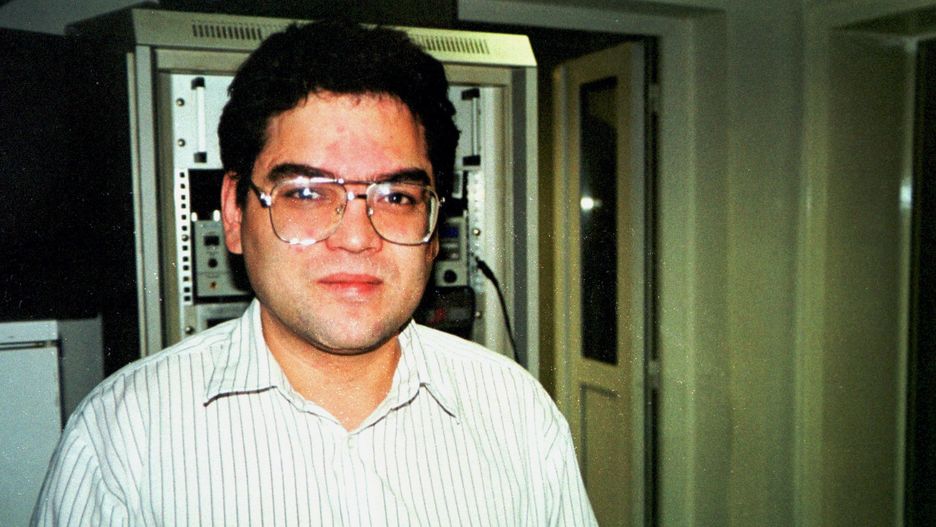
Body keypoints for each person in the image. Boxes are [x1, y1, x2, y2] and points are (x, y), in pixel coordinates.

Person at [33, 20, 597, 526]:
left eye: (397, 196)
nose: (356, 237)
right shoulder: (122, 442)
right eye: (306, 193)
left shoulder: (518, 417)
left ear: (433, 228)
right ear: (235, 214)